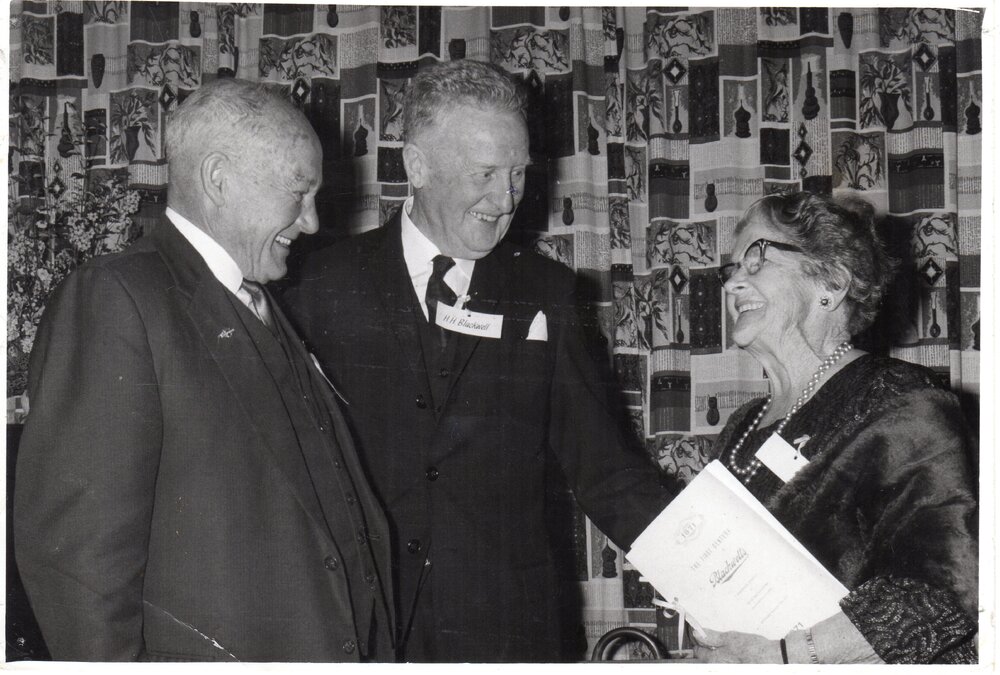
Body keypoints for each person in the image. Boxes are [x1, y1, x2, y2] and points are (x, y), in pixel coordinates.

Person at [282, 59, 674, 662]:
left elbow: (609, 473)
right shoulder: (317, 285)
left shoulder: (546, 294)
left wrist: (721, 577)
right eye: (484, 173)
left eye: (518, 173)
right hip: (356, 629)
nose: (506, 198)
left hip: (506, 634)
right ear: (417, 165)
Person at [13, 78, 394, 662]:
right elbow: (78, 567)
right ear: (219, 178)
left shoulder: (259, 299)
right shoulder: (118, 298)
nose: (313, 222)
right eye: (299, 192)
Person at [694, 191, 977, 664]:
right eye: (731, 269)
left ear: (831, 282)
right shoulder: (740, 428)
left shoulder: (903, 403)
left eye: (756, 258)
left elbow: (945, 591)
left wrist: (788, 656)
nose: (732, 283)